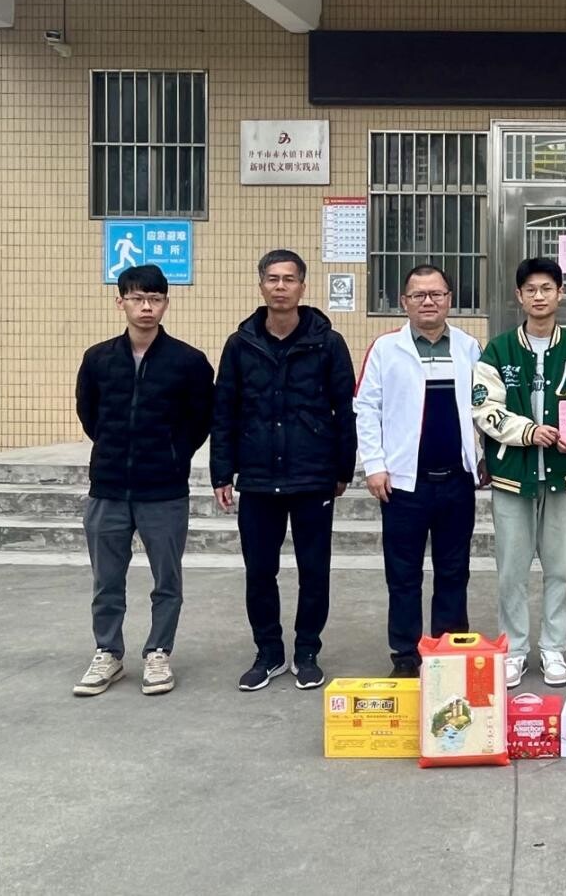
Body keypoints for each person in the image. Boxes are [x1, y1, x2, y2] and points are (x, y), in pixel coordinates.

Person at [210, 250, 357, 693]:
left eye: (288, 279)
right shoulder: (240, 344)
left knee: (314, 571)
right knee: (259, 571)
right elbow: (224, 411)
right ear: (261, 285)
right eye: (272, 279)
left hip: (313, 475)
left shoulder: (328, 343)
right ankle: (269, 653)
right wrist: (222, 473)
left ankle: (307, 652)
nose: (280, 287)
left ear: (302, 287)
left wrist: (343, 469)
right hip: (258, 477)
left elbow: (345, 410)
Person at [73, 264, 214, 697]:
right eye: (137, 298)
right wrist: (115, 449)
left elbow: (200, 419)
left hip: (163, 490)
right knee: (106, 581)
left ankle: (158, 653)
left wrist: (173, 454)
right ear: (121, 302)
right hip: (109, 488)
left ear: (166, 303)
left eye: (154, 299)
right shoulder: (98, 359)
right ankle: (108, 653)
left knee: (166, 581)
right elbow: (89, 414)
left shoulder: (188, 361)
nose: (146, 307)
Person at [472, 257, 566, 689]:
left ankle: (554, 649)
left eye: (547, 288)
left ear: (560, 293)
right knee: (511, 572)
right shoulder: (498, 350)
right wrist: (528, 432)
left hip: (562, 477)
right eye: (530, 289)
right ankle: (514, 650)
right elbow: (484, 409)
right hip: (512, 477)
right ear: (519, 296)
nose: (539, 296)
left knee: (561, 568)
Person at [354, 264, 487, 677]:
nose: (428, 302)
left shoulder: (468, 347)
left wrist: (481, 455)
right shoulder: (385, 349)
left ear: (449, 299)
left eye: (437, 294)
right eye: (419, 295)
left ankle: (447, 652)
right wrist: (374, 465)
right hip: (402, 484)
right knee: (403, 574)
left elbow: (484, 407)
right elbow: (366, 408)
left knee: (454, 571)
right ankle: (406, 656)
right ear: (404, 302)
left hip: (457, 480)